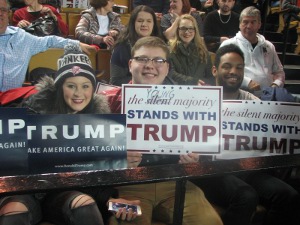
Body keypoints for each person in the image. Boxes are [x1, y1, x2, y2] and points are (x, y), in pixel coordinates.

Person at [0, 44, 140, 225]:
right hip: (24, 191)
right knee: (14, 211)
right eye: (71, 86)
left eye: (85, 86)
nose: (78, 94)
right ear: (59, 87)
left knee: (84, 205)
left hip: (64, 192)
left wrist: (110, 200)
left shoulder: (99, 122)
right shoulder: (29, 112)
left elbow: (95, 171)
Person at [102, 36, 224, 225]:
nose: (150, 65)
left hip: (176, 184)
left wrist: (195, 158)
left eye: (158, 60)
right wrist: (115, 158)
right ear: (130, 64)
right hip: (126, 188)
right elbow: (86, 157)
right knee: (124, 221)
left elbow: (207, 153)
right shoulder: (106, 102)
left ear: (167, 67)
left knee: (210, 222)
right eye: (142, 59)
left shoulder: (190, 102)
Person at [195, 44, 300, 225]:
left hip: (244, 168)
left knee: (288, 195)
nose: (233, 71)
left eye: (239, 67)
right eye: (227, 66)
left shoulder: (253, 102)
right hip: (209, 170)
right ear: (214, 70)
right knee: (246, 196)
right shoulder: (199, 99)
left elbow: (275, 130)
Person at [0, 0, 95, 92]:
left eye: (3, 10)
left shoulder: (21, 37)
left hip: (11, 99)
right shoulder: (19, 14)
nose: (0, 13)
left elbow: (50, 40)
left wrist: (78, 44)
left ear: (8, 13)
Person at [220, 6, 285, 94]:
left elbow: (279, 72)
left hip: (268, 96)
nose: (249, 26)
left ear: (259, 24)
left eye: (253, 22)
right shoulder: (229, 45)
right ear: (239, 24)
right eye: (245, 22)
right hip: (238, 94)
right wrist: (247, 82)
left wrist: (275, 85)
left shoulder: (269, 46)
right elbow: (222, 72)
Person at [109, 5, 162, 86]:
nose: (144, 24)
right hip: (131, 94)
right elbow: (116, 81)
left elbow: (168, 74)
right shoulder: (121, 47)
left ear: (154, 24)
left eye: (149, 21)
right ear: (133, 23)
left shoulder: (161, 46)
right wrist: (146, 80)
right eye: (140, 21)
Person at [169, 14, 214, 85]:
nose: (187, 32)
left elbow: (211, 78)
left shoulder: (204, 52)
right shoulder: (169, 50)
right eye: (183, 28)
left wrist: (201, 83)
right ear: (178, 30)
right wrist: (192, 81)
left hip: (199, 92)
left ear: (195, 30)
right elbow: (170, 73)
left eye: (190, 28)